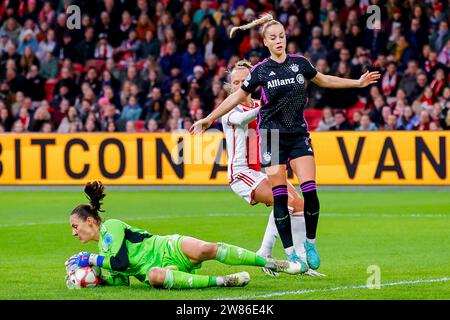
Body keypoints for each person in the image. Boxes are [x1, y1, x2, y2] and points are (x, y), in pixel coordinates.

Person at [191, 14, 380, 270]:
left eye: (281, 36)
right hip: (265, 148)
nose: (279, 41)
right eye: (273, 38)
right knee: (284, 199)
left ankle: (305, 245)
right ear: (265, 42)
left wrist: (356, 83)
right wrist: (208, 119)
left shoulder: (300, 64)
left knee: (307, 194)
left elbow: (323, 79)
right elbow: (236, 101)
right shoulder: (259, 74)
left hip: (296, 135)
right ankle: (291, 254)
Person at [65, 181, 304, 289]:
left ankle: (272, 262)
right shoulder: (102, 251)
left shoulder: (112, 227)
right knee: (155, 276)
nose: (74, 233)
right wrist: (100, 280)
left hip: (167, 247)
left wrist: (90, 259)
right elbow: (123, 276)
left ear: (90, 221)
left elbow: (120, 262)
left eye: (75, 227)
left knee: (206, 248)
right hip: (155, 270)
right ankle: (223, 281)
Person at [221, 59, 323, 277]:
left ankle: (301, 261)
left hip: (263, 168)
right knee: (286, 201)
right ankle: (267, 253)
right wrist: (270, 105)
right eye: (235, 82)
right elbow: (243, 118)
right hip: (242, 174)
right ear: (231, 86)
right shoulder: (230, 110)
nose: (239, 85)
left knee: (297, 205)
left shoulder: (261, 104)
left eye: (243, 81)